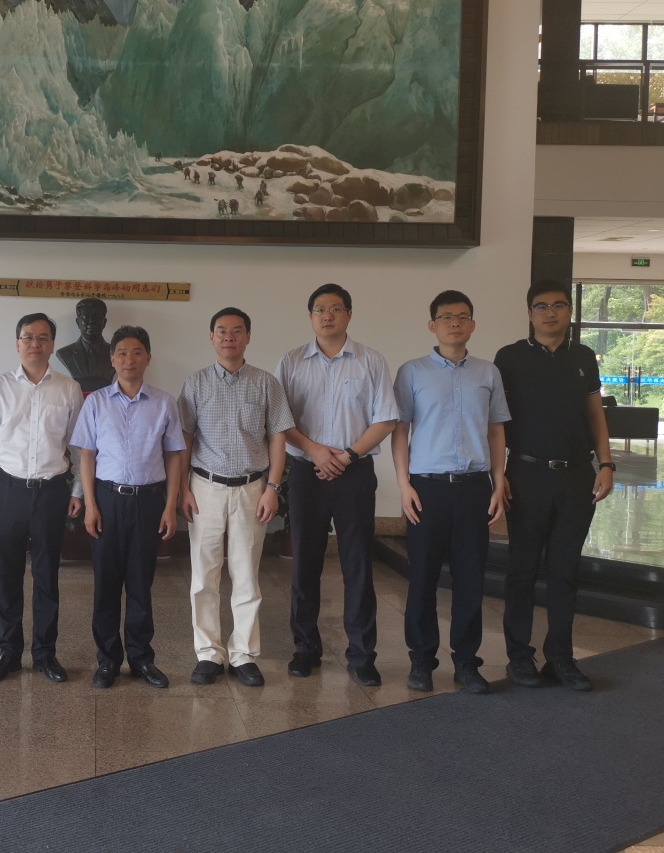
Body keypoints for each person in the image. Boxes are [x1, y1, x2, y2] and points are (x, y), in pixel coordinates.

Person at [275, 284, 398, 687]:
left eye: (336, 309)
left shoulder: (371, 361)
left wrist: (345, 456)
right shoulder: (291, 361)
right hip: (305, 473)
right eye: (320, 309)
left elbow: (385, 419)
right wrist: (315, 451)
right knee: (304, 562)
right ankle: (305, 649)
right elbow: (280, 421)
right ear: (310, 316)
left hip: (354, 472)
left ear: (349, 315)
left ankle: (361, 654)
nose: (327, 315)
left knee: (358, 563)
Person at [495, 280, 615, 692]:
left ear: (569, 311)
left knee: (565, 572)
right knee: (522, 571)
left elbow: (595, 414)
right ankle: (519, 657)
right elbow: (496, 421)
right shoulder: (509, 358)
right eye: (541, 306)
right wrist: (498, 474)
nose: (550, 312)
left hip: (577, 477)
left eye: (559, 305)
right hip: (526, 475)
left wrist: (606, 464)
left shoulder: (583, 357)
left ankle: (561, 658)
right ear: (530, 313)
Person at [391, 291, 509, 695]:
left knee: (470, 577)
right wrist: (403, 484)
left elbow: (496, 430)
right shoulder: (412, 372)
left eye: (462, 316)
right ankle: (422, 660)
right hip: (426, 487)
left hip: (474, 486)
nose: (454, 323)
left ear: (472, 324)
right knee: (422, 576)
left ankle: (466, 662)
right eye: (446, 317)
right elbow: (400, 431)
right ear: (432, 325)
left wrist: (498, 481)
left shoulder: (488, 373)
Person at [178, 307, 290, 687]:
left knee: (246, 575)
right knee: (204, 575)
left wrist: (273, 488)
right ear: (212, 337)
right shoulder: (195, 384)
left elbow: (278, 437)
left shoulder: (266, 383)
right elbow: (184, 439)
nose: (229, 337)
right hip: (204, 487)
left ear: (248, 337)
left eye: (237, 331)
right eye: (222, 331)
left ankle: (243, 654)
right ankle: (208, 653)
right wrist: (182, 489)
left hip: (251, 489)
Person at [0, 313, 84, 684]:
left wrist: (78, 491)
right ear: (17, 343)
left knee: (47, 575)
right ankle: (8, 652)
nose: (35, 344)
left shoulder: (68, 389)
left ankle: (45, 654)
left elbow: (79, 447)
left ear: (52, 344)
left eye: (43, 337)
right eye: (28, 337)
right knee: (7, 575)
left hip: (52, 491)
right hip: (8, 491)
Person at [71, 325, 184, 690]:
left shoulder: (164, 402)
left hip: (149, 502)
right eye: (121, 352)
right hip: (107, 500)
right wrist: (91, 505)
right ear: (112, 359)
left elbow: (174, 456)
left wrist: (170, 506)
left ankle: (141, 659)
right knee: (106, 584)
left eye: (136, 352)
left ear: (148, 358)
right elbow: (87, 456)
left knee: (140, 584)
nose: (128, 359)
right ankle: (107, 660)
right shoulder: (96, 402)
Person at [56, 298, 115, 393]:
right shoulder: (65, 353)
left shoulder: (116, 352)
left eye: (96, 318)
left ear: (104, 322)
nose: (91, 322)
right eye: (85, 318)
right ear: (78, 322)